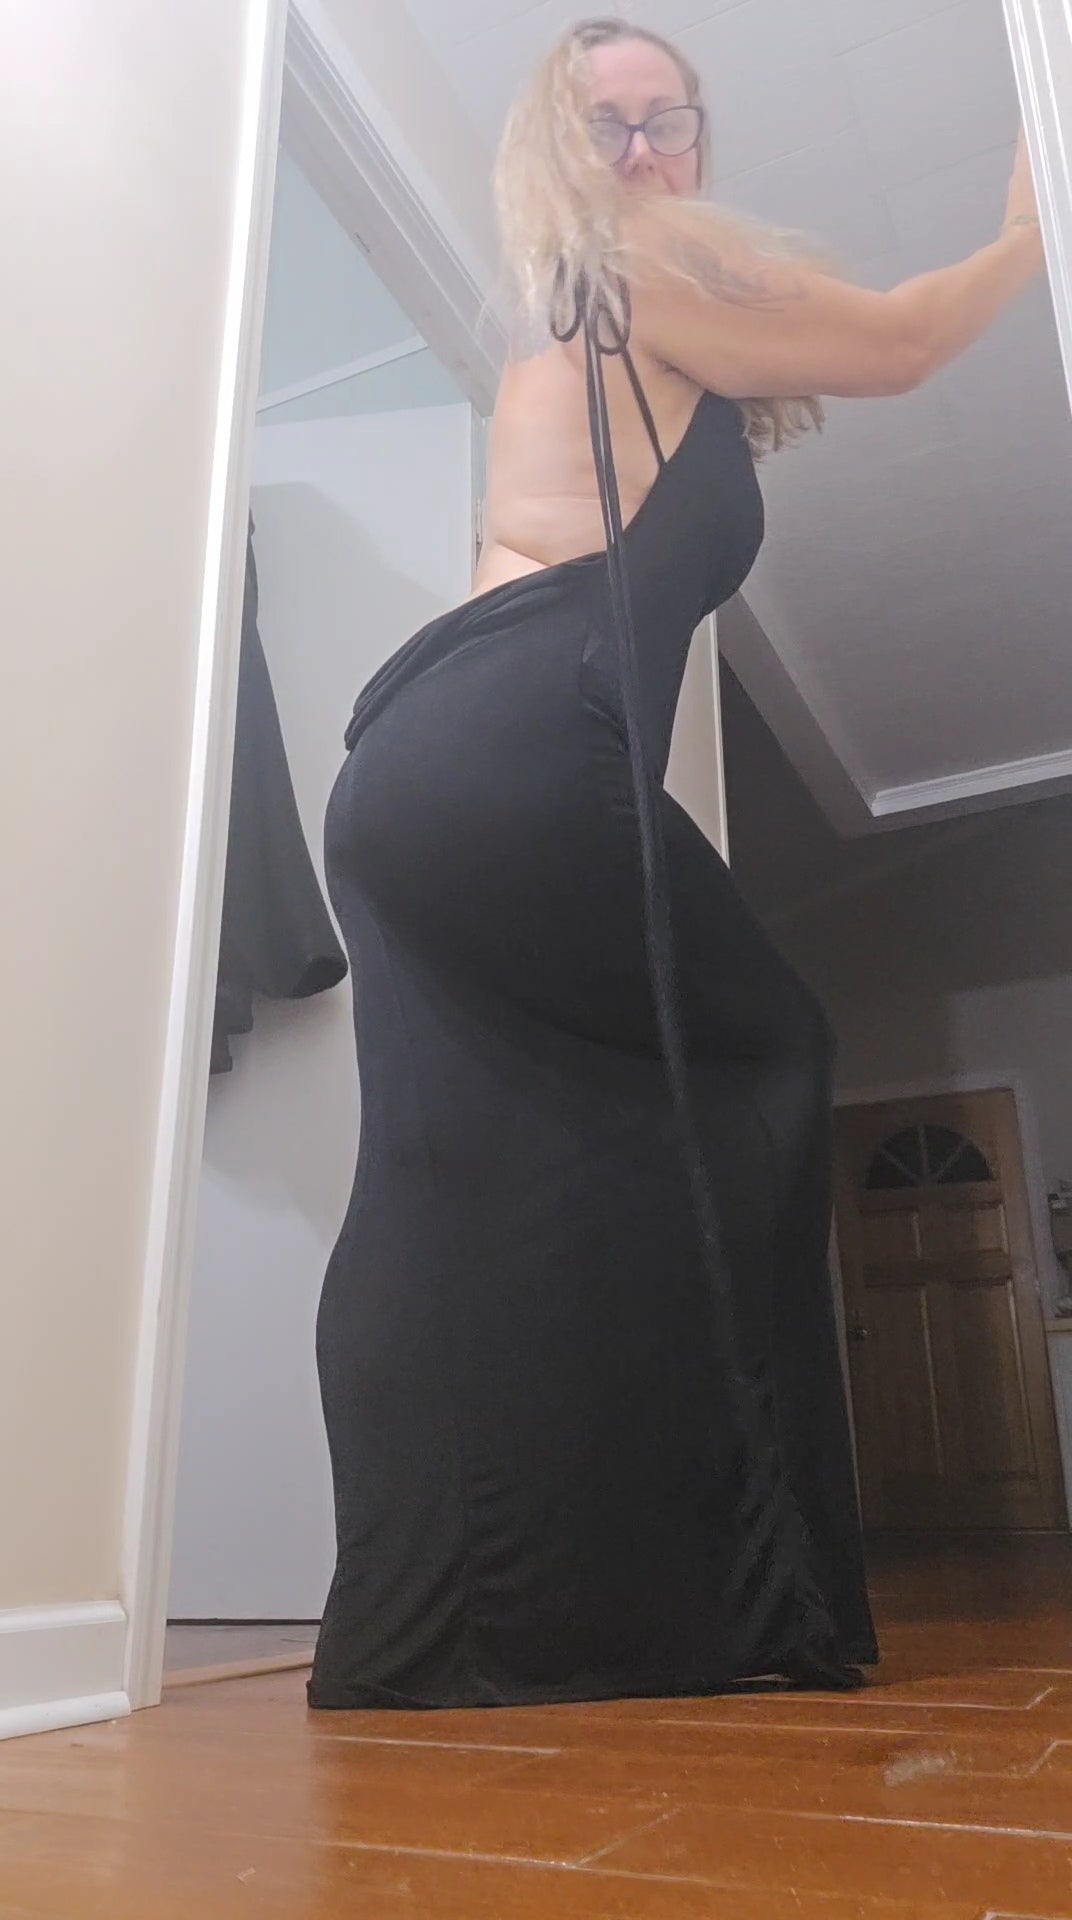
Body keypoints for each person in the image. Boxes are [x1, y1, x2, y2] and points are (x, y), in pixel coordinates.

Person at [307, 17, 1044, 1710]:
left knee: (470, 1149)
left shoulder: (601, 315)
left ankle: (461, 1608)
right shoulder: (630, 272)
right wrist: (1034, 225)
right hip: (510, 742)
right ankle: (698, 1581)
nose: (645, 151)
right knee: (757, 1060)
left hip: (424, 773)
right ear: (555, 156)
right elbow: (904, 341)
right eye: (608, 125)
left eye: (671, 119)